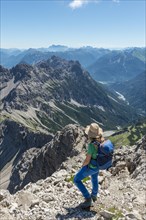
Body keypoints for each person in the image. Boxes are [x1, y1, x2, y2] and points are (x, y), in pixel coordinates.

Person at [74, 123, 112, 209]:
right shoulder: (102, 140)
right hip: (99, 165)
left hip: (92, 166)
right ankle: (94, 195)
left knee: (76, 180)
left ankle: (88, 199)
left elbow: (87, 160)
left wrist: (82, 166)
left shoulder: (91, 145)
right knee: (94, 178)